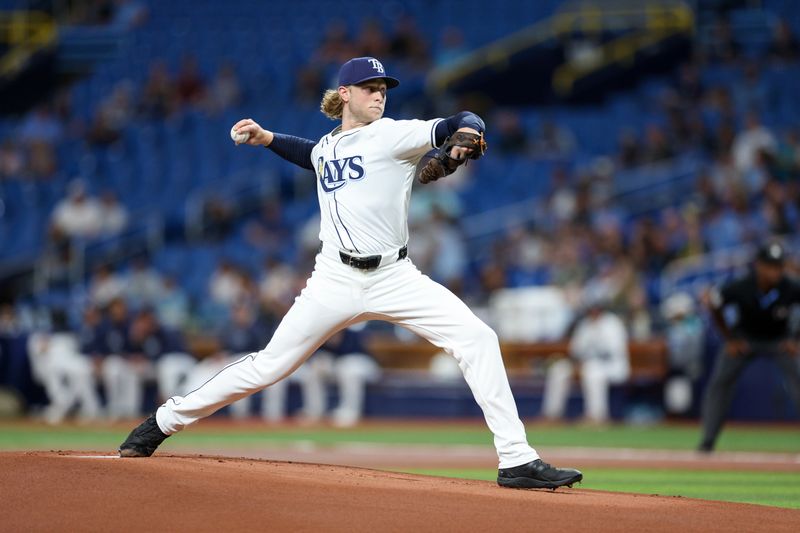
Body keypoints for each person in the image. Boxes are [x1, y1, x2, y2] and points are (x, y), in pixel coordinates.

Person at [119, 56, 582, 490]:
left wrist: (464, 138)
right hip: (333, 279)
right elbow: (315, 155)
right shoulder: (329, 145)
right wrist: (267, 139)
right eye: (369, 88)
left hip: (395, 276)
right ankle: (162, 422)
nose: (379, 96)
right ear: (345, 94)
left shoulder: (393, 136)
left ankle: (516, 459)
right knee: (269, 365)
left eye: (382, 89)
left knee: (478, 338)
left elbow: (462, 121)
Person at [699, 242, 800, 452]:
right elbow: (714, 303)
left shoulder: (790, 286)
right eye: (771, 266)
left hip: (778, 340)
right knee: (720, 383)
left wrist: (795, 339)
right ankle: (708, 441)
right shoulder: (742, 285)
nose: (776, 271)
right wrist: (729, 338)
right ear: (759, 266)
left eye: (779, 266)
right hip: (745, 339)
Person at [542, 296, 630, 423]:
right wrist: (577, 363)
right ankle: (552, 414)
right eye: (591, 309)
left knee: (593, 371)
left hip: (613, 366)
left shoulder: (612, 324)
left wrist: (586, 361)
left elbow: (611, 353)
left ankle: (596, 416)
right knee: (559, 369)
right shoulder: (585, 324)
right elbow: (575, 352)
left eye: (596, 308)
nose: (593, 311)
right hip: (586, 365)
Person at [295, 326, 380, 427]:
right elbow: (317, 356)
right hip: (339, 367)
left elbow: (352, 355)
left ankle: (350, 412)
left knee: (348, 369)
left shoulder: (352, 334)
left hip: (363, 365)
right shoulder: (322, 337)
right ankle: (314, 411)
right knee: (314, 369)